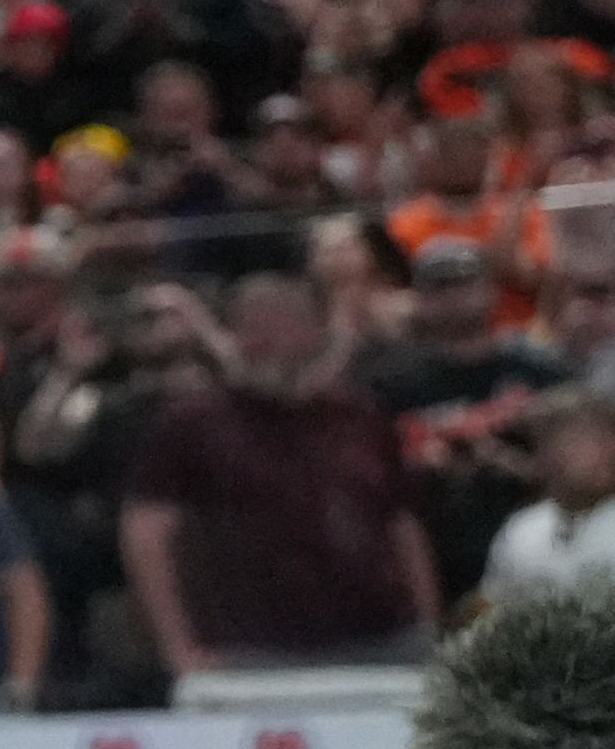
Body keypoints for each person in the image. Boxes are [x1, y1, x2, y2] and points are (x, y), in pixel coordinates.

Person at [114, 266, 431, 681]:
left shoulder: (361, 417)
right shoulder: (193, 424)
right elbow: (146, 535)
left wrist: (427, 627)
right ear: (233, 334)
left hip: (383, 645)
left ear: (317, 330)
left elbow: (402, 526)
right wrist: (178, 650)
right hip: (248, 653)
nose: (272, 339)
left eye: (287, 322)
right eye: (255, 324)